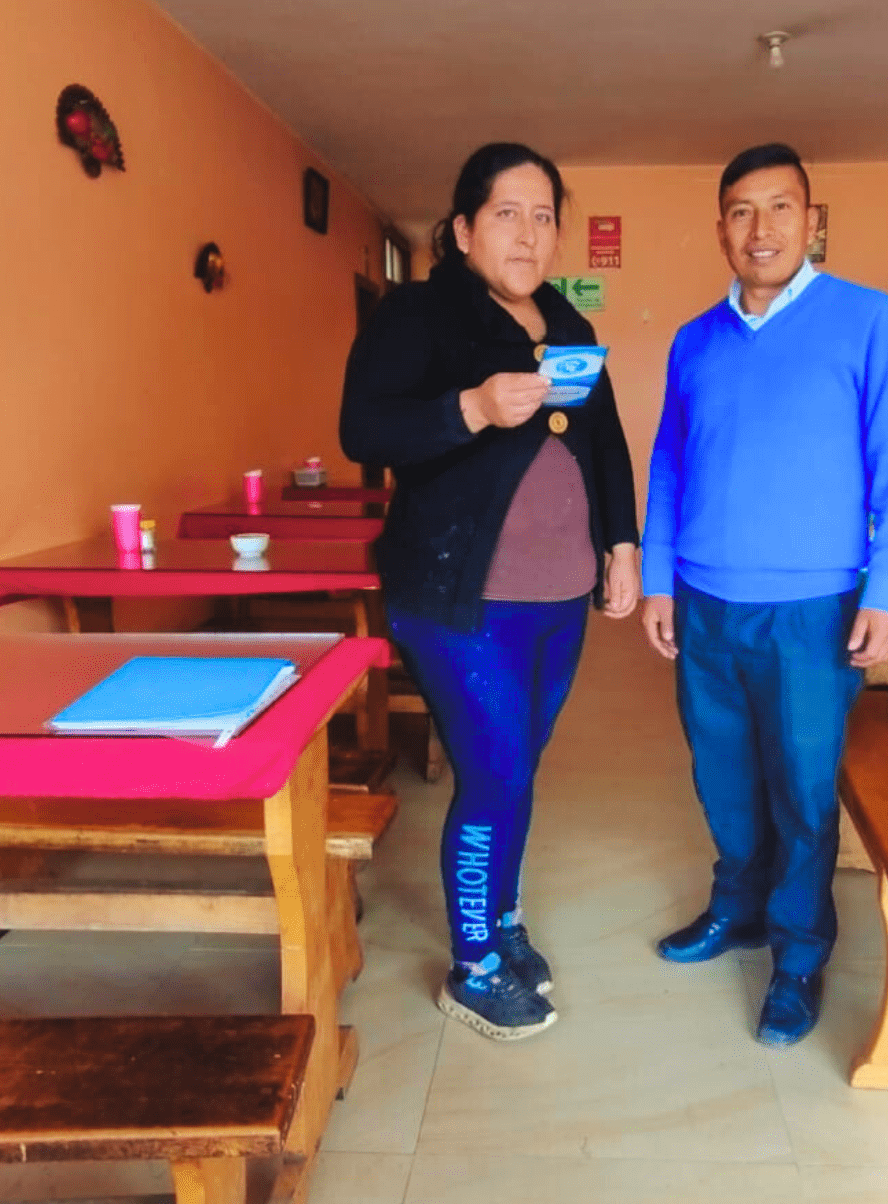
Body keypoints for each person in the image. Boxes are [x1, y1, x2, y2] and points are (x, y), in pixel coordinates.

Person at [340, 142, 640, 1041]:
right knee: (495, 772)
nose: (528, 233)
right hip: (458, 599)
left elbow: (606, 441)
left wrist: (622, 545)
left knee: (518, 767)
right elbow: (362, 428)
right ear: (465, 229)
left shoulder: (568, 321)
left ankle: (502, 919)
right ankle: (473, 968)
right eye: (508, 213)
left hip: (560, 596)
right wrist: (470, 407)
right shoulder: (419, 313)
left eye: (544, 216)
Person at [640, 143, 888, 1047]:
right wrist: (657, 579)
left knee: (803, 791)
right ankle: (740, 909)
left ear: (811, 222)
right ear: (720, 228)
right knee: (723, 777)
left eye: (779, 208)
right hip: (704, 603)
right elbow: (670, 465)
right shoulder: (695, 340)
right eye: (741, 210)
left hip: (814, 610)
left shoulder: (866, 319)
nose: (759, 228)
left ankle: (800, 955)